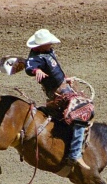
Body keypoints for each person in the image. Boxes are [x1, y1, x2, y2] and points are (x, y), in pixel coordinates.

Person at [24, 29, 91, 171]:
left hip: (64, 87)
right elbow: (29, 67)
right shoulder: (35, 57)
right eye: (48, 43)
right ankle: (75, 154)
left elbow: (55, 71)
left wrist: (65, 79)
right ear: (41, 45)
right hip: (59, 94)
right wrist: (37, 71)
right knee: (83, 111)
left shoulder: (48, 52)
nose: (50, 45)